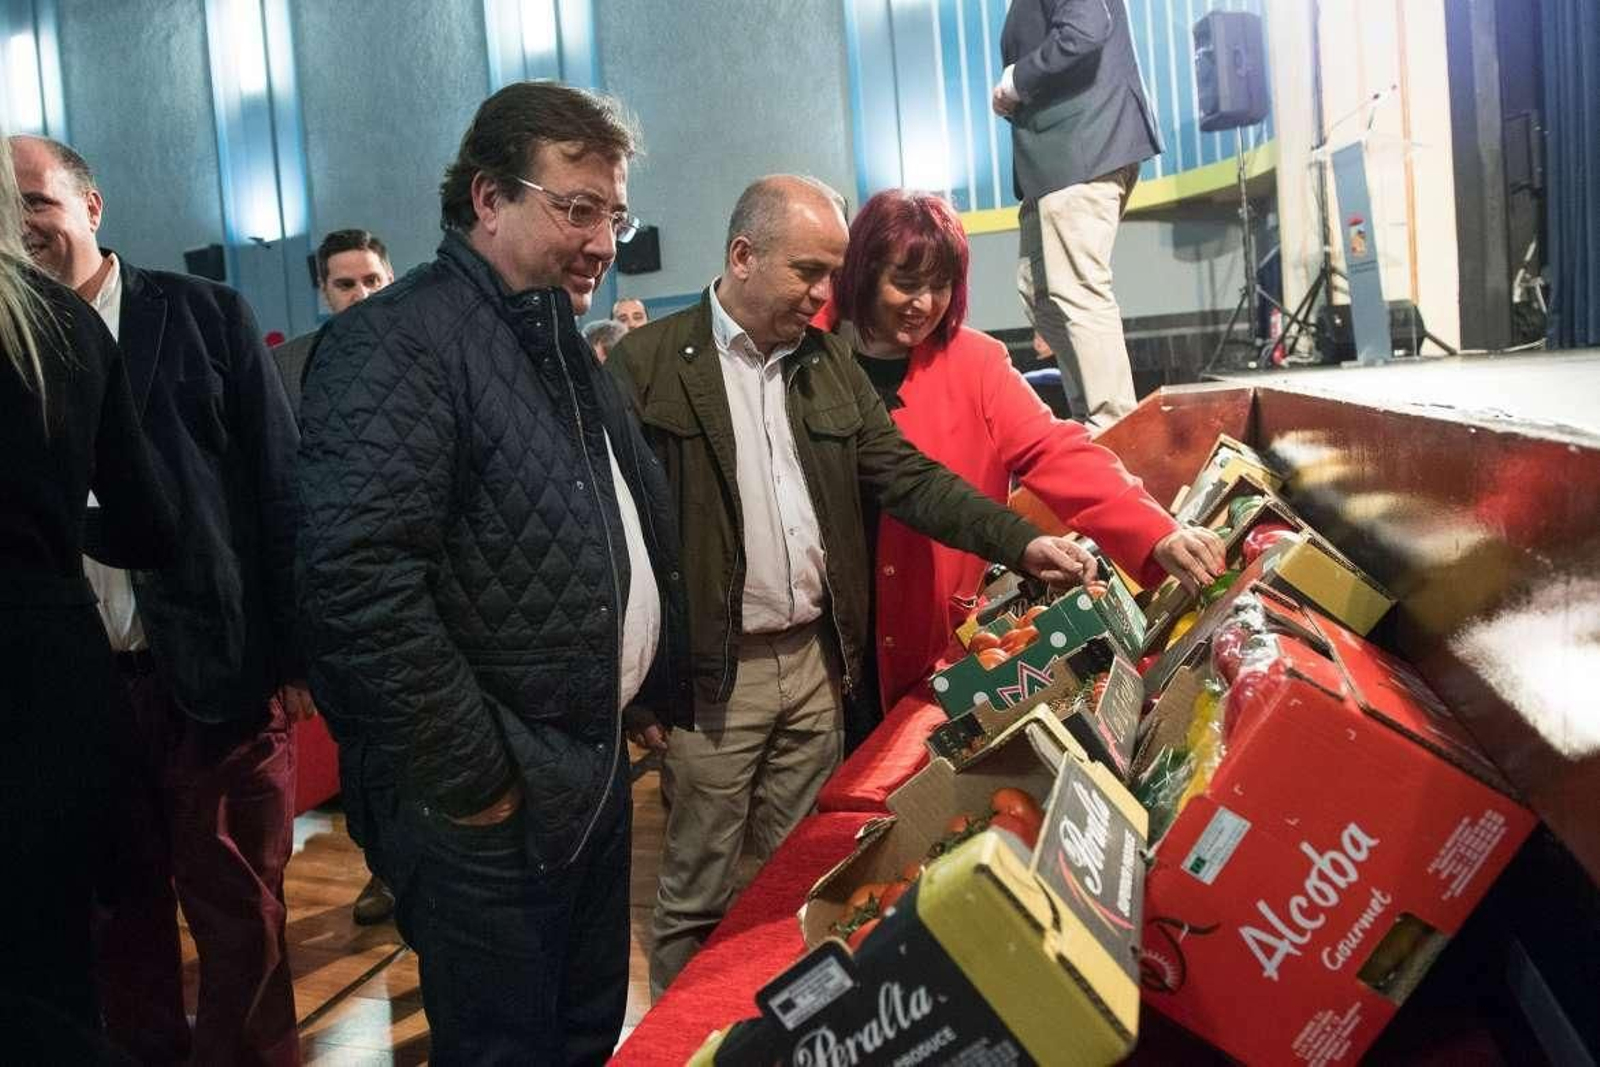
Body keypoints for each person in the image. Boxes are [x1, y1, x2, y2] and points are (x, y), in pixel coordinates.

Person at [608, 174, 1097, 996]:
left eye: (834, 272)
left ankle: (778, 1032)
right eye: (809, 271)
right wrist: (641, 690)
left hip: (814, 668)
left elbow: (910, 478)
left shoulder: (824, 361)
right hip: (711, 677)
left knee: (804, 878)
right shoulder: (647, 365)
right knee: (698, 893)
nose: (827, 293)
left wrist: (1024, 541)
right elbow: (618, 542)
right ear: (742, 255)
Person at [296, 81, 686, 1064]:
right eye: (577, 207)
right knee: (507, 1047)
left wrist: (636, 682)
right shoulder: (394, 341)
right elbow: (356, 583)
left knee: (582, 1030)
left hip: (581, 769)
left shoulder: (554, 343)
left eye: (615, 213)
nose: (603, 240)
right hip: (490, 806)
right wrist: (479, 780)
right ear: (486, 199)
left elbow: (601, 530)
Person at [10, 134, 307, 1066]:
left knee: (240, 915)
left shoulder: (206, 315)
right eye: (7, 210)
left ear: (91, 208)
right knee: (121, 924)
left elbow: (277, 491)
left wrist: (298, 658)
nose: (24, 228)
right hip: (79, 698)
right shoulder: (11, 347)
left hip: (213, 677)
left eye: (39, 204)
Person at [820, 189, 1225, 717]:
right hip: (823, 637)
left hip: (926, 634)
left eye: (940, 286)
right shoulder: (808, 350)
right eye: (905, 283)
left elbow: (1059, 453)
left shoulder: (976, 363)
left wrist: (1158, 532)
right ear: (864, 271)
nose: (924, 304)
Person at [0, 129, 176, 1054]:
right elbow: (150, 527)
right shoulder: (67, 323)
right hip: (55, 672)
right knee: (60, 962)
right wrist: (58, 529)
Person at [992, 0, 1161, 428]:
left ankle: (1115, 427)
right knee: (1040, 290)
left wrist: (1018, 79)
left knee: (1078, 290)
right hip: (1052, 163)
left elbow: (1085, 28)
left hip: (1082, 147)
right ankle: (1092, 420)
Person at [272, 228, 394, 417]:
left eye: (372, 281)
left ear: (391, 282)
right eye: (346, 285)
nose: (362, 296)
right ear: (325, 291)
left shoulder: (433, 350)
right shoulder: (286, 365)